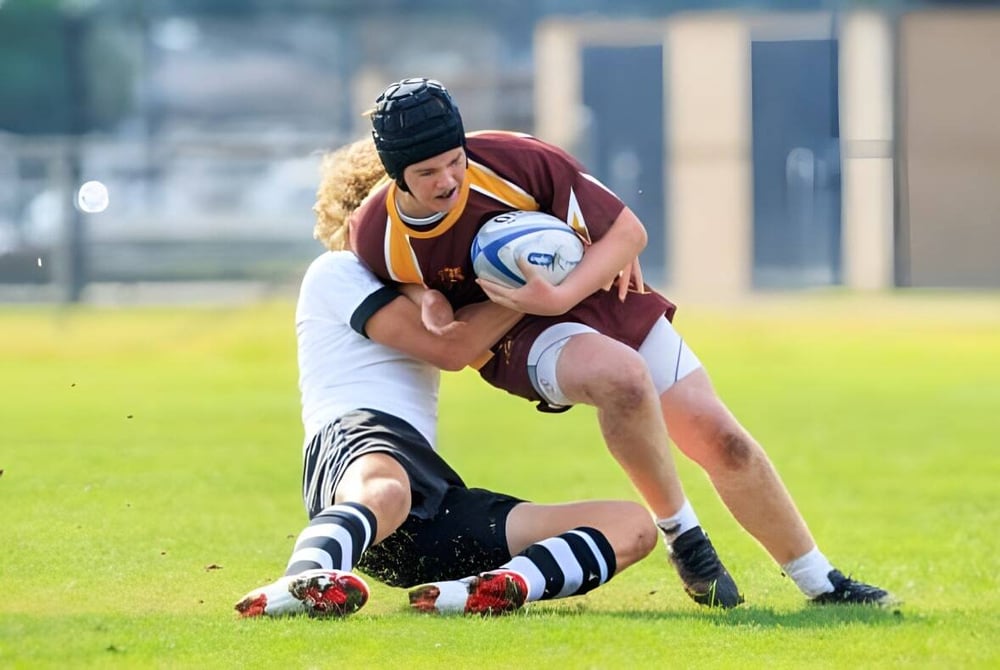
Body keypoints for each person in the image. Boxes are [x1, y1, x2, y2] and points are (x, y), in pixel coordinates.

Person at [346, 76, 893, 608]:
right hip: (519, 334)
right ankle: (685, 537)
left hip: (596, 291)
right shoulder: (375, 235)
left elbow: (628, 233)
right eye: (428, 172)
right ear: (396, 175)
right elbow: (410, 291)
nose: (449, 180)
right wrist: (426, 298)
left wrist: (561, 295)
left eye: (455, 161)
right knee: (622, 377)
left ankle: (821, 582)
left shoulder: (512, 159)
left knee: (723, 439)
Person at [233, 139, 657, 618]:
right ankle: (303, 578)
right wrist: (548, 275)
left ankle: (491, 589)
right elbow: (452, 349)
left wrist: (580, 254)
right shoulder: (339, 272)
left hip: (427, 498)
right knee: (387, 489)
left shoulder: (437, 289)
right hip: (357, 448)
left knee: (632, 525)